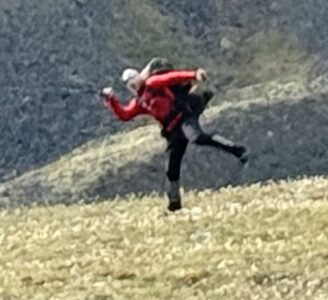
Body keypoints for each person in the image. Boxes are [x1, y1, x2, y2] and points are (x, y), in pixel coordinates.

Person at [101, 60, 247, 211]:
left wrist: (194, 74)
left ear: (139, 78)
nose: (133, 85)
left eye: (133, 81)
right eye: (130, 85)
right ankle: (174, 204)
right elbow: (125, 115)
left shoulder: (152, 83)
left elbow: (172, 77)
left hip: (183, 117)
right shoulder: (139, 102)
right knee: (171, 168)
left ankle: (238, 150)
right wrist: (111, 100)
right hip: (172, 130)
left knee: (197, 138)